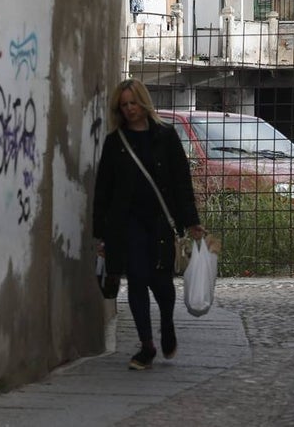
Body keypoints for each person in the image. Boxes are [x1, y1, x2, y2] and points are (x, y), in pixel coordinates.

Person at [92, 78, 205, 370]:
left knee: (162, 283)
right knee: (137, 280)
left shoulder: (166, 136)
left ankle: (167, 324)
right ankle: (146, 346)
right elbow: (103, 190)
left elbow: (181, 182)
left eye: (134, 103)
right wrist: (101, 235)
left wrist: (191, 221)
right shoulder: (115, 143)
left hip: (159, 222)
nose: (130, 109)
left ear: (144, 102)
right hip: (127, 224)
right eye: (124, 105)